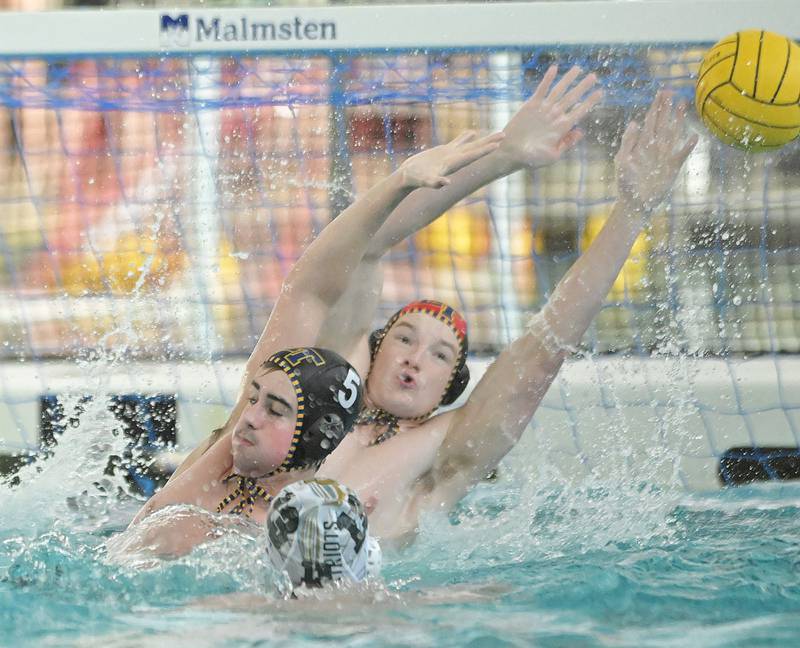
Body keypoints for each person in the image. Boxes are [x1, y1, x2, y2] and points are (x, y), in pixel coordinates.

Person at [125, 127, 506, 555]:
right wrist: (401, 180)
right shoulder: (223, 463)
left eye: (275, 410)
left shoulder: (318, 534)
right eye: (255, 399)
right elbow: (310, 288)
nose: (251, 417)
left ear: (310, 440)